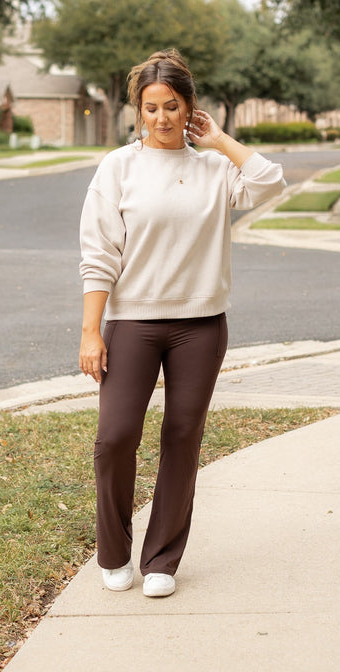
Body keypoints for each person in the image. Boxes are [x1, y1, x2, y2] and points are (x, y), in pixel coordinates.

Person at [78, 49, 287, 598]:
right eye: (151, 108)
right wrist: (90, 330)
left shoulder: (215, 169)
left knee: (181, 437)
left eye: (172, 106)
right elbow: (99, 253)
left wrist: (218, 141)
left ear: (190, 107)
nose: (162, 118)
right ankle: (115, 551)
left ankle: (163, 559)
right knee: (116, 437)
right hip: (132, 324)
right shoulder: (118, 168)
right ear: (138, 111)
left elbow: (269, 182)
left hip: (200, 326)